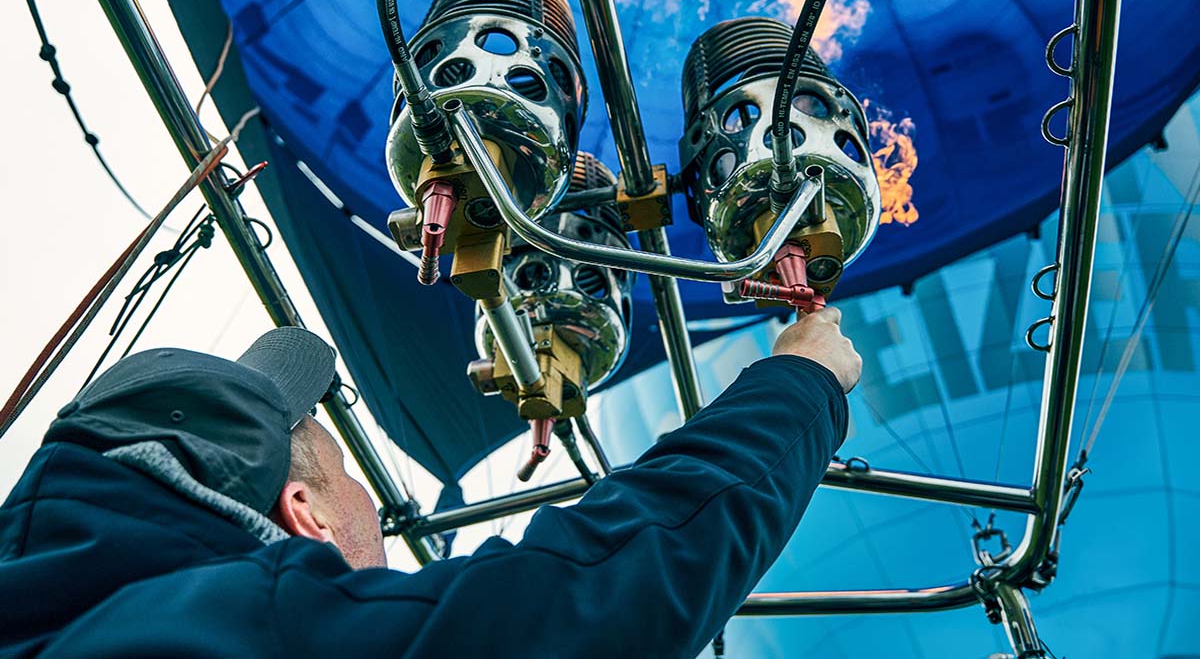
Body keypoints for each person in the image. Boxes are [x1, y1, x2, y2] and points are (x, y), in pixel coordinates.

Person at [0, 311, 859, 658]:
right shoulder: (244, 627)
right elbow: (588, 600)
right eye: (348, 480)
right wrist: (801, 382)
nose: (373, 507)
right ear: (305, 515)